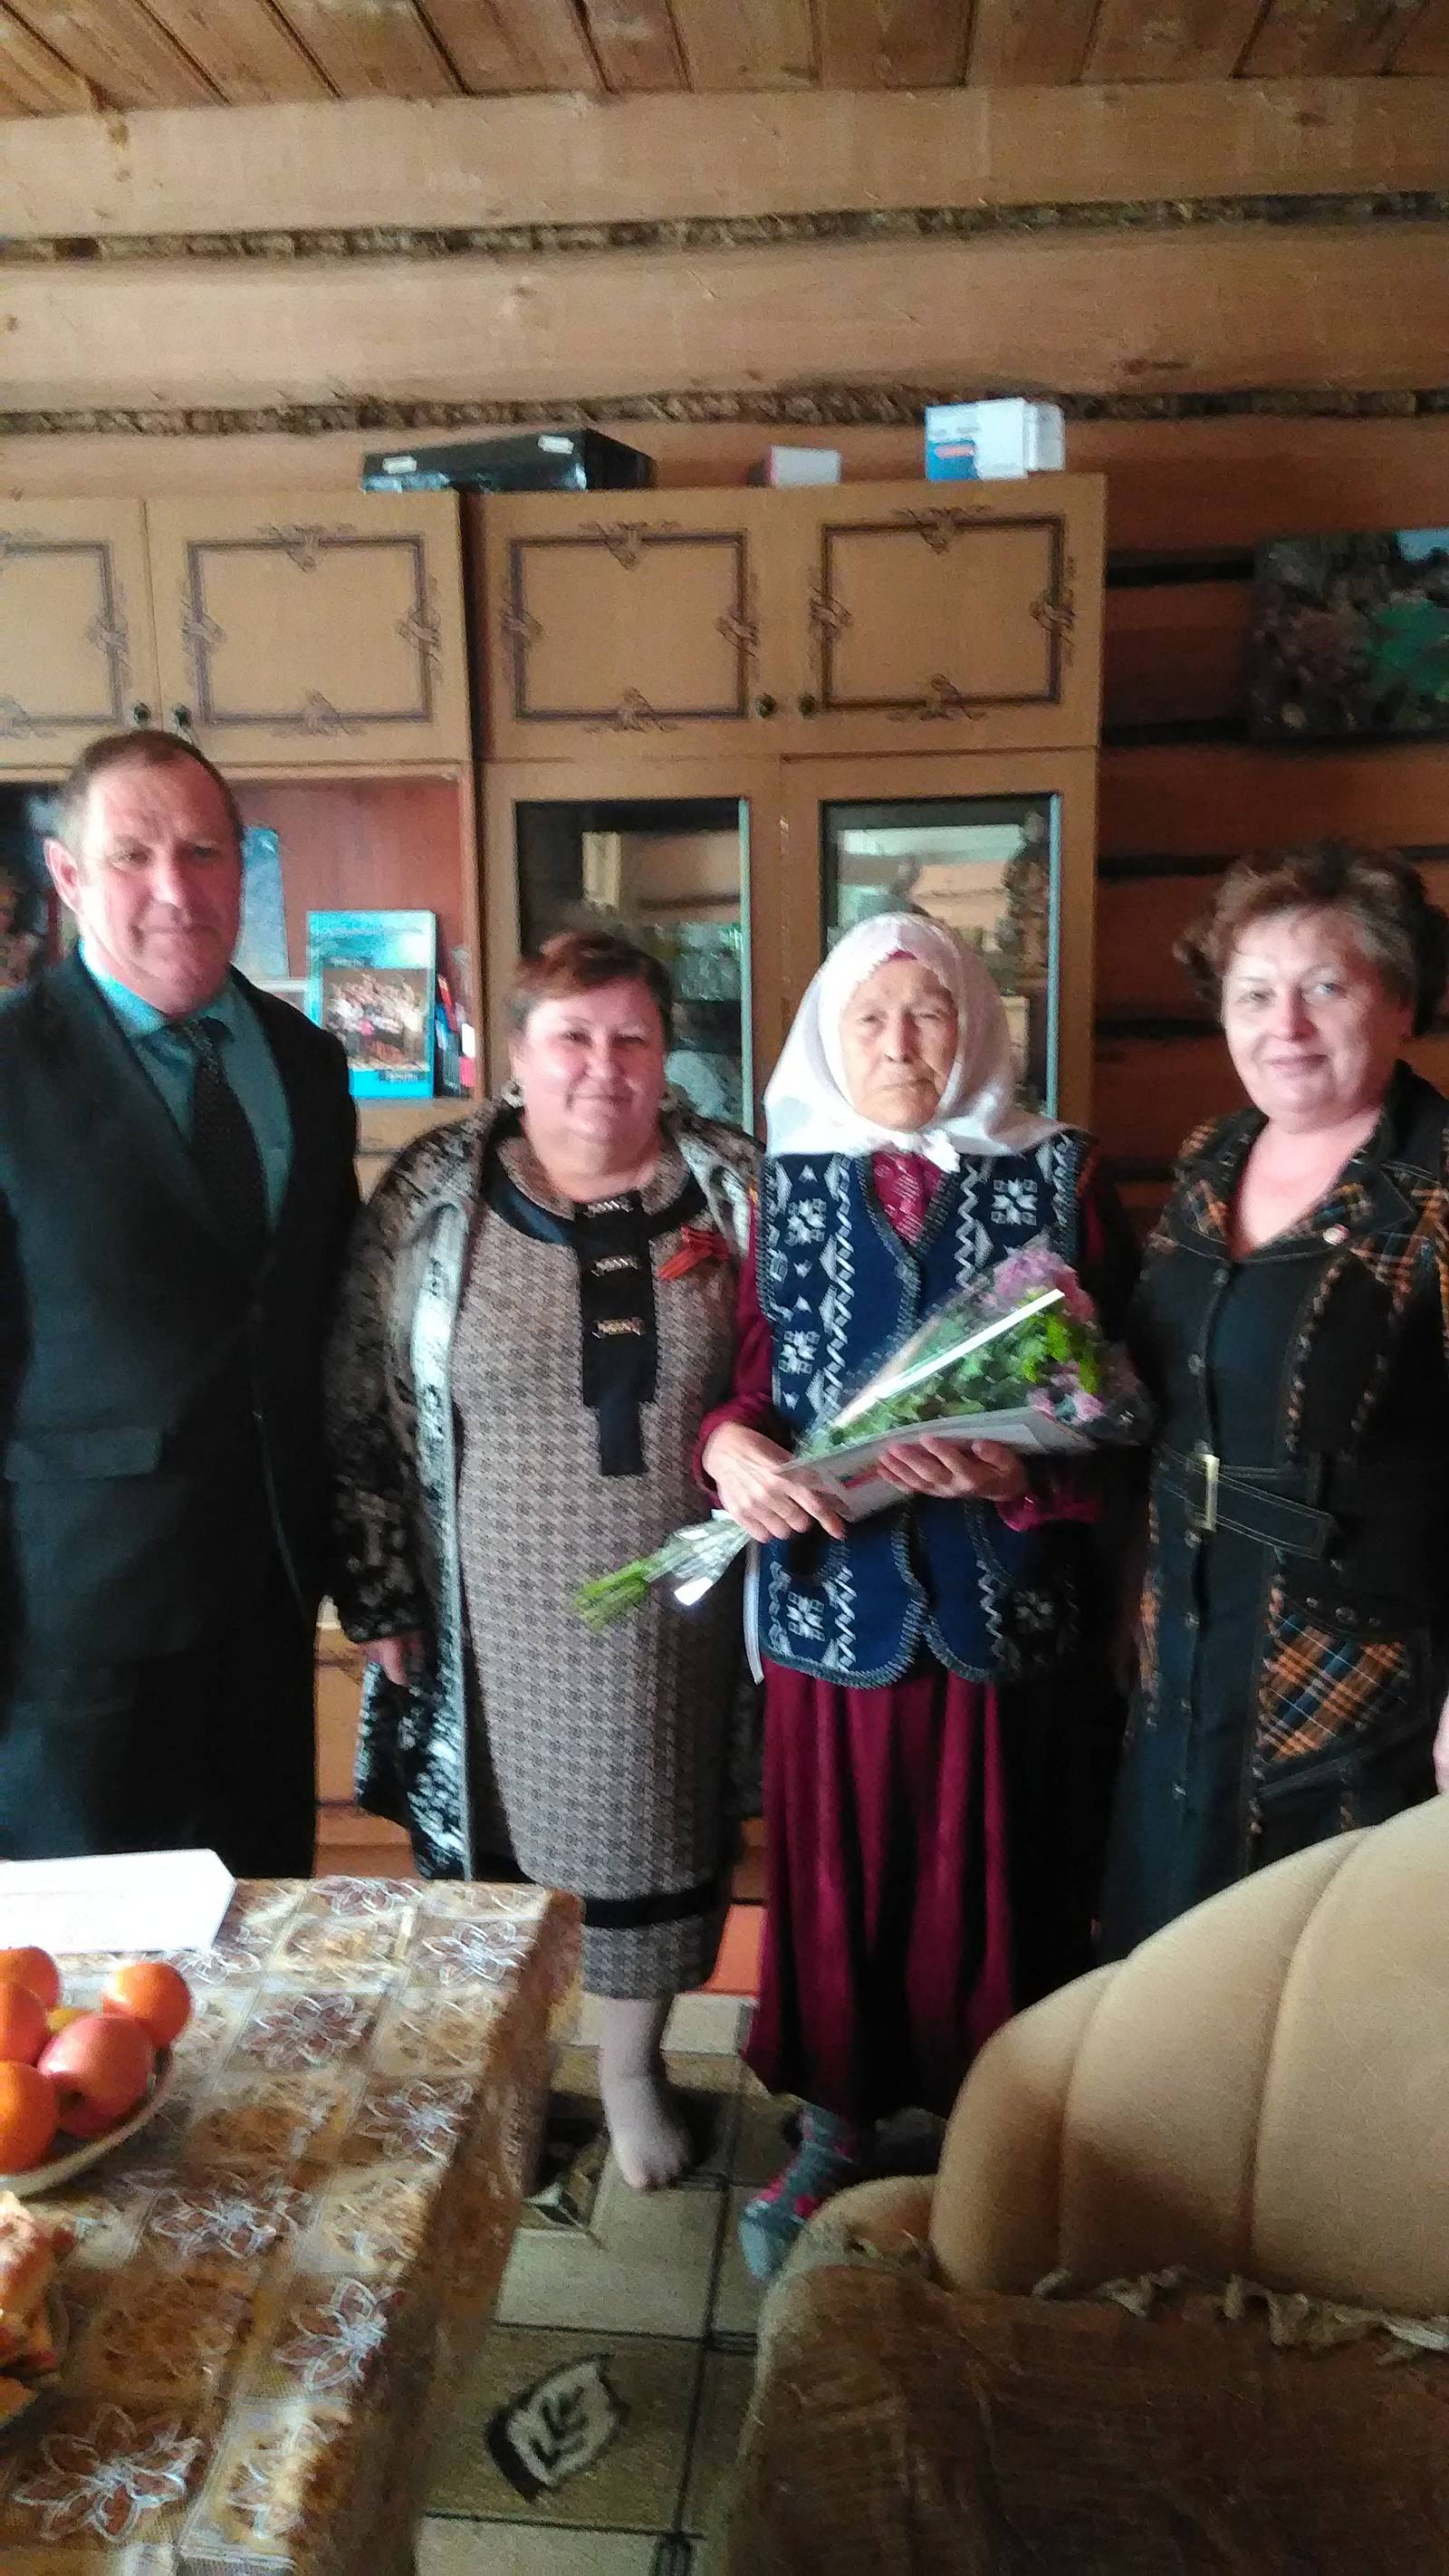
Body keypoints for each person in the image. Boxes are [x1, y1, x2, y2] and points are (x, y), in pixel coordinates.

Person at [698, 911, 1137, 2278]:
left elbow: (1124, 1400)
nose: (900, 1044)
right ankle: (838, 2126)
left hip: (1005, 1607)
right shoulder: (786, 1189)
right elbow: (750, 1384)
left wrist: (1020, 1469)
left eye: (929, 1014)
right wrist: (728, 1449)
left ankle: (996, 2141)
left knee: (1005, 1881)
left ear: (975, 1027)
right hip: (837, 1606)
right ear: (830, 1039)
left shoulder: (1060, 1175)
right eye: (871, 1019)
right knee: (842, 1881)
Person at [326, 929, 758, 2191]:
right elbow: (354, 1388)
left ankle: (630, 2068)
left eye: (631, 1037)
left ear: (667, 1055)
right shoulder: (434, 1188)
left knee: (656, 1834)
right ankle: (509, 2072)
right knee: (494, 1849)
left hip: (678, 1606)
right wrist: (379, 1584)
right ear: (516, 1055)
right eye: (571, 1036)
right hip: (486, 1609)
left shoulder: (735, 1185)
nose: (601, 1066)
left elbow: (790, 1366)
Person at [0, 728, 359, 1874]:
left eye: (203, 852)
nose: (175, 889)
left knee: (266, 1920)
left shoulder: (307, 1062)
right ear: (68, 875)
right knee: (86, 1962)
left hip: (270, 1601)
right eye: (132, 856)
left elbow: (325, 1323)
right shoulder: (10, 1070)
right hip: (76, 1627)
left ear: (241, 867)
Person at [1099, 841, 1449, 1958]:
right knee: (1165, 1958)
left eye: (1325, 987)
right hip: (1184, 1641)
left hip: (1348, 1679)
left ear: (1400, 1000)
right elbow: (1168, 1396)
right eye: (1253, 994)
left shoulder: (1436, 1189)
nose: (1283, 1025)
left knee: (1300, 1982)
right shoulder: (1211, 1157)